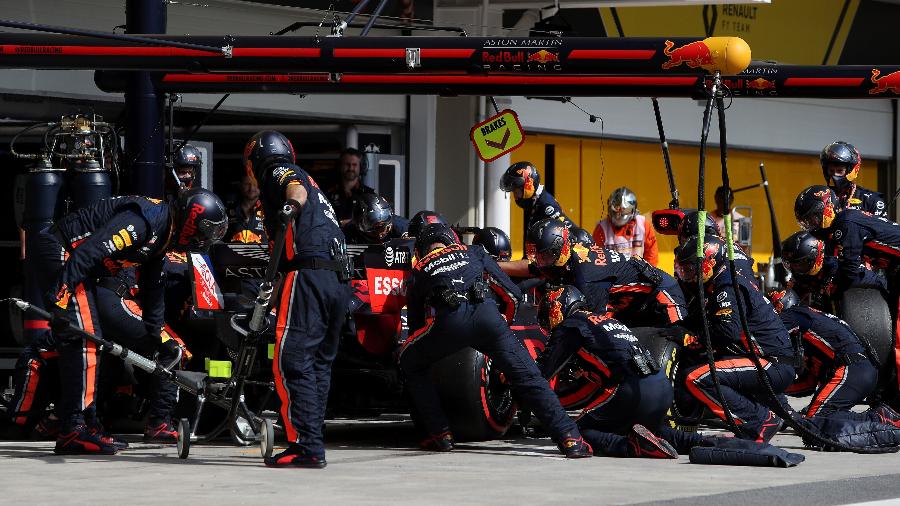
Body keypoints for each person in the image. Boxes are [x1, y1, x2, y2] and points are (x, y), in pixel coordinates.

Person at [34, 189, 227, 455]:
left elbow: (153, 287)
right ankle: (73, 429)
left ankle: (85, 424)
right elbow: (92, 250)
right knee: (84, 338)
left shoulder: (164, 233)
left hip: (79, 265)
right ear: (191, 219)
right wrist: (60, 295)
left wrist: (152, 334)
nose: (203, 239)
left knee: (90, 340)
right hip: (65, 254)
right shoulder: (144, 221)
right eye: (204, 231)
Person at [399, 222, 591, 458]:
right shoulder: (474, 252)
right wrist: (503, 326)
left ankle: (439, 435)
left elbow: (417, 325)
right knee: (530, 378)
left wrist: (434, 347)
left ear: (421, 249)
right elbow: (513, 295)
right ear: (453, 240)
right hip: (489, 319)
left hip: (449, 323)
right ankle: (570, 439)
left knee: (409, 359)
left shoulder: (421, 267)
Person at [243, 130, 352, 469]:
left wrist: (290, 205)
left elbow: (294, 189)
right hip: (337, 280)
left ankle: (304, 445)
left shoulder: (276, 171)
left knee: (291, 359)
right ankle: (312, 442)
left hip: (309, 276)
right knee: (319, 364)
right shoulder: (322, 196)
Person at [538, 285, 708, 458]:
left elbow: (540, 374)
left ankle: (628, 446)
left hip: (633, 388)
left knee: (574, 432)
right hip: (661, 386)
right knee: (649, 431)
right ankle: (703, 441)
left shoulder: (570, 325)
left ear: (558, 306)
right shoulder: (606, 320)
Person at [674, 236, 797, 442]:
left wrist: (688, 339)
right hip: (765, 359)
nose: (687, 275)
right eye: (684, 269)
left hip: (771, 364)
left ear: (709, 261)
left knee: (696, 377)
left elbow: (726, 332)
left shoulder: (728, 286)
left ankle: (759, 421)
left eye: (691, 268)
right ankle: (758, 417)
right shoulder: (721, 280)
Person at [769, 289, 900, 427]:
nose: (770, 314)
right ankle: (877, 418)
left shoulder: (794, 315)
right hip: (863, 371)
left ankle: (879, 418)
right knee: (818, 418)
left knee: (817, 419)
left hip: (853, 369)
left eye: (774, 308)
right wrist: (775, 387)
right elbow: (808, 384)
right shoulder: (809, 325)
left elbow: (764, 335)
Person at [527, 218, 686, 328]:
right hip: (633, 306)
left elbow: (594, 326)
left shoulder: (587, 278)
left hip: (662, 296)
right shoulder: (575, 250)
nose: (539, 262)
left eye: (544, 256)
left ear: (560, 249)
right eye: (537, 256)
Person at [794, 185, 899, 293]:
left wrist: (834, 289)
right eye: (805, 222)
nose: (810, 224)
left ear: (827, 208)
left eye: (812, 219)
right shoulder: (844, 219)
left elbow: (851, 269)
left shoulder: (845, 224)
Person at [498, 161, 573, 278]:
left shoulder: (546, 206)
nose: (516, 196)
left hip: (552, 270)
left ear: (528, 185)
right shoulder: (535, 203)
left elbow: (569, 234)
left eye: (516, 191)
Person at [592, 187, 658, 266]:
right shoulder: (602, 228)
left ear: (633, 210)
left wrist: (648, 275)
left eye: (624, 210)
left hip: (639, 275)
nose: (619, 214)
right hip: (611, 275)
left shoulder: (643, 225)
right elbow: (596, 259)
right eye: (616, 210)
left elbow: (651, 256)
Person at [821, 141, 887, 218]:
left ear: (851, 171)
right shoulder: (818, 197)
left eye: (839, 171)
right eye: (831, 171)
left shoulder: (871, 201)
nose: (835, 175)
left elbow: (882, 229)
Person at [781, 231, 838, 312]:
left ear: (814, 257)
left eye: (799, 264)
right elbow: (790, 297)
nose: (796, 268)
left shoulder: (835, 271)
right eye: (792, 264)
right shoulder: (797, 274)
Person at [326, 147, 375, 226]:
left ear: (361, 167)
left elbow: (373, 221)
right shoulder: (327, 192)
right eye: (347, 164)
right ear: (340, 166)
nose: (351, 168)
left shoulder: (369, 194)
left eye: (354, 165)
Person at [341, 193, 407, 244]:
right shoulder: (349, 232)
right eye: (374, 231)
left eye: (382, 227)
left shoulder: (403, 228)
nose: (380, 235)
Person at [226, 173, 267, 244]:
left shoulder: (268, 210)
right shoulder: (228, 210)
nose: (251, 188)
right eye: (247, 184)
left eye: (255, 184)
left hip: (261, 254)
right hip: (233, 254)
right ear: (240, 186)